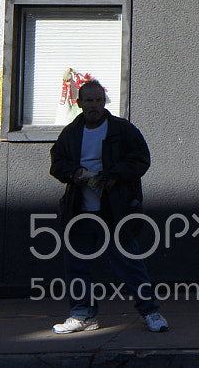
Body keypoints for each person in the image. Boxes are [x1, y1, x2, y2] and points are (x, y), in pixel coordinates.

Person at [48, 79, 168, 334]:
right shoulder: (70, 133)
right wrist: (75, 172)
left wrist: (114, 175)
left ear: (104, 102)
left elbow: (140, 160)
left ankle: (151, 312)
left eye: (99, 100)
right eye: (89, 101)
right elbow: (57, 163)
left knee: (129, 263)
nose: (94, 105)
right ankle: (83, 315)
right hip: (79, 210)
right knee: (77, 265)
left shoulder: (123, 130)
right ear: (79, 103)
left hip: (116, 209)